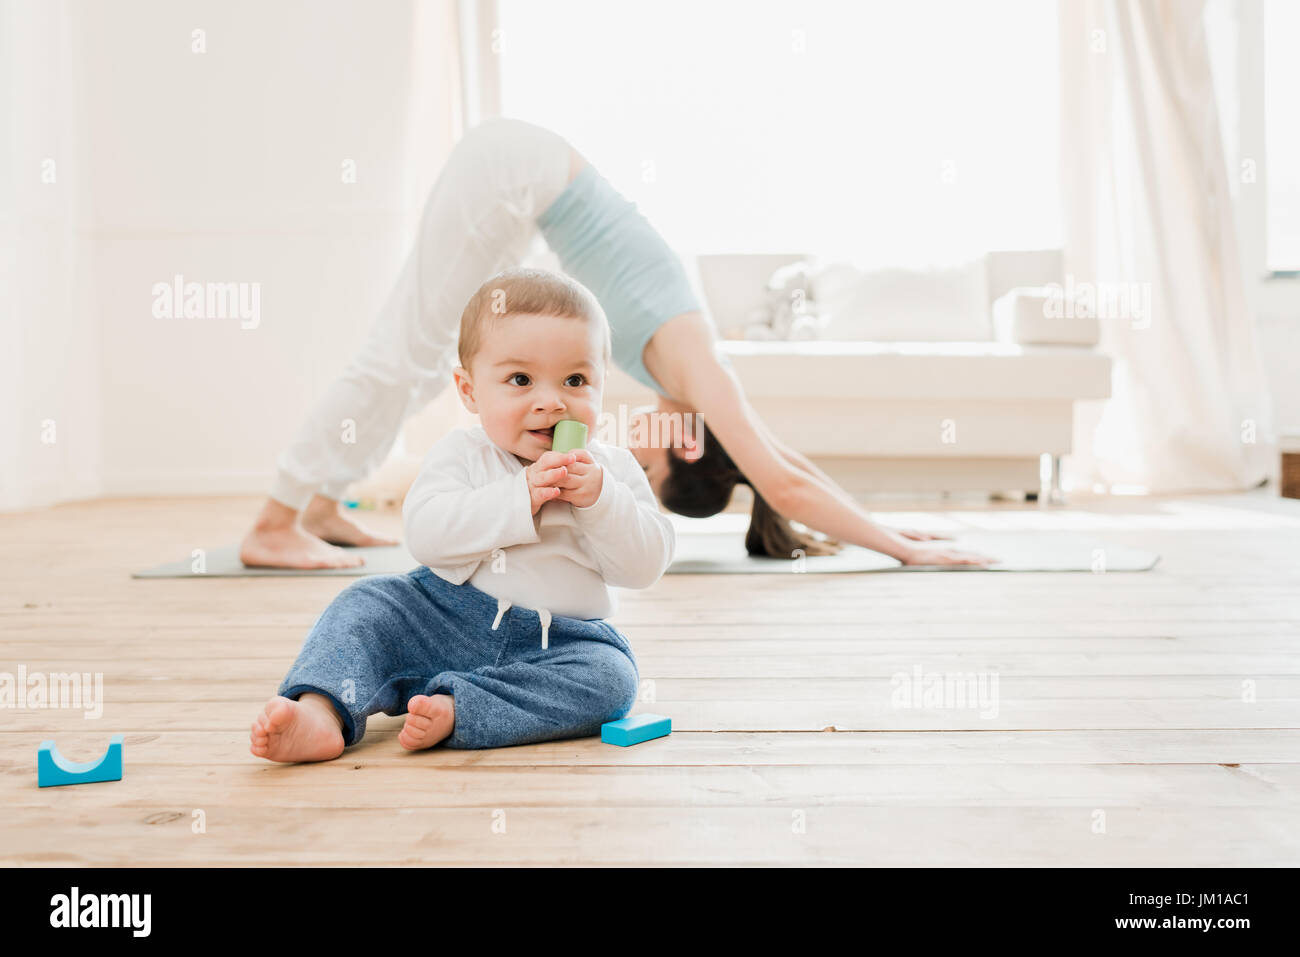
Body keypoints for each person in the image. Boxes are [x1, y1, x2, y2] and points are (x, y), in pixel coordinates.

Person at [238, 117, 993, 570]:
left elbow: (779, 463)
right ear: (687, 444)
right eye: (652, 463)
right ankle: (275, 522)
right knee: (404, 348)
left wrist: (885, 521)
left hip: (523, 178)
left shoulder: (689, 378)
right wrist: (902, 548)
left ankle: (321, 502)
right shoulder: (701, 373)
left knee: (429, 350)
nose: (631, 454)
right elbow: (782, 481)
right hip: (514, 172)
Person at [250, 268, 669, 761]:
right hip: (444, 615)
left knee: (612, 679)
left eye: (575, 380)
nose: (552, 402)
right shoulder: (461, 454)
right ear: (469, 390)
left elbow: (645, 566)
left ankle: (462, 708)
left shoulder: (612, 470)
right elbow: (427, 535)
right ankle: (320, 711)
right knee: (364, 605)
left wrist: (601, 501)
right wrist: (521, 497)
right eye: (520, 379)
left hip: (559, 640)